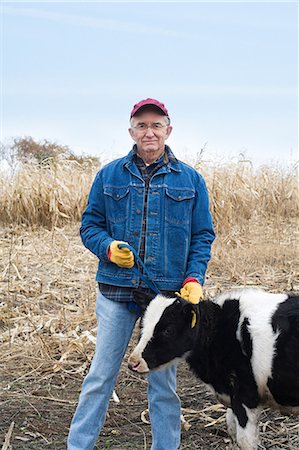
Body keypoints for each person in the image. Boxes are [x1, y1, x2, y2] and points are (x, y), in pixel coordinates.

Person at [67, 98, 215, 450]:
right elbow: (90, 225)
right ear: (131, 131)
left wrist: (194, 278)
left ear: (168, 130)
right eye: (142, 125)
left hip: (165, 299)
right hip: (116, 292)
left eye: (156, 125)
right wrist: (107, 248)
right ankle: (78, 445)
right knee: (101, 376)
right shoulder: (109, 174)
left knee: (163, 384)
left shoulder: (191, 180)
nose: (149, 132)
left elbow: (202, 236)